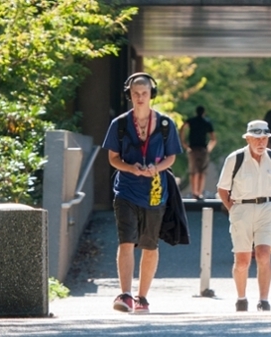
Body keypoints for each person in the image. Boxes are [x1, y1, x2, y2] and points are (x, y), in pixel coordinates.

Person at [102, 72, 183, 314]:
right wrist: (131, 168)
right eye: (135, 94)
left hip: (155, 192)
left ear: (151, 95)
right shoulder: (119, 124)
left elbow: (171, 158)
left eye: (144, 93)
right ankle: (125, 294)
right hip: (126, 189)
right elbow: (113, 158)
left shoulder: (166, 125)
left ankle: (142, 297)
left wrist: (155, 168)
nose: (139, 97)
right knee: (126, 240)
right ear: (130, 95)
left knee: (149, 244)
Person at [217, 120, 271, 312]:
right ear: (248, 139)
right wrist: (232, 209)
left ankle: (264, 300)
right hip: (241, 209)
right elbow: (222, 188)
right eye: (257, 139)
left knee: (263, 254)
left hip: (265, 208)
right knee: (242, 259)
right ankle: (241, 298)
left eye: (264, 139)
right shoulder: (234, 159)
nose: (261, 143)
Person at [180, 105, 217, 201]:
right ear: (204, 112)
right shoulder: (206, 122)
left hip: (192, 148)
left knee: (193, 171)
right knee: (202, 172)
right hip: (203, 149)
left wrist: (184, 143)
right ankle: (199, 192)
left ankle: (194, 192)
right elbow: (213, 138)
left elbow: (183, 128)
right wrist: (209, 148)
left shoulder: (191, 121)